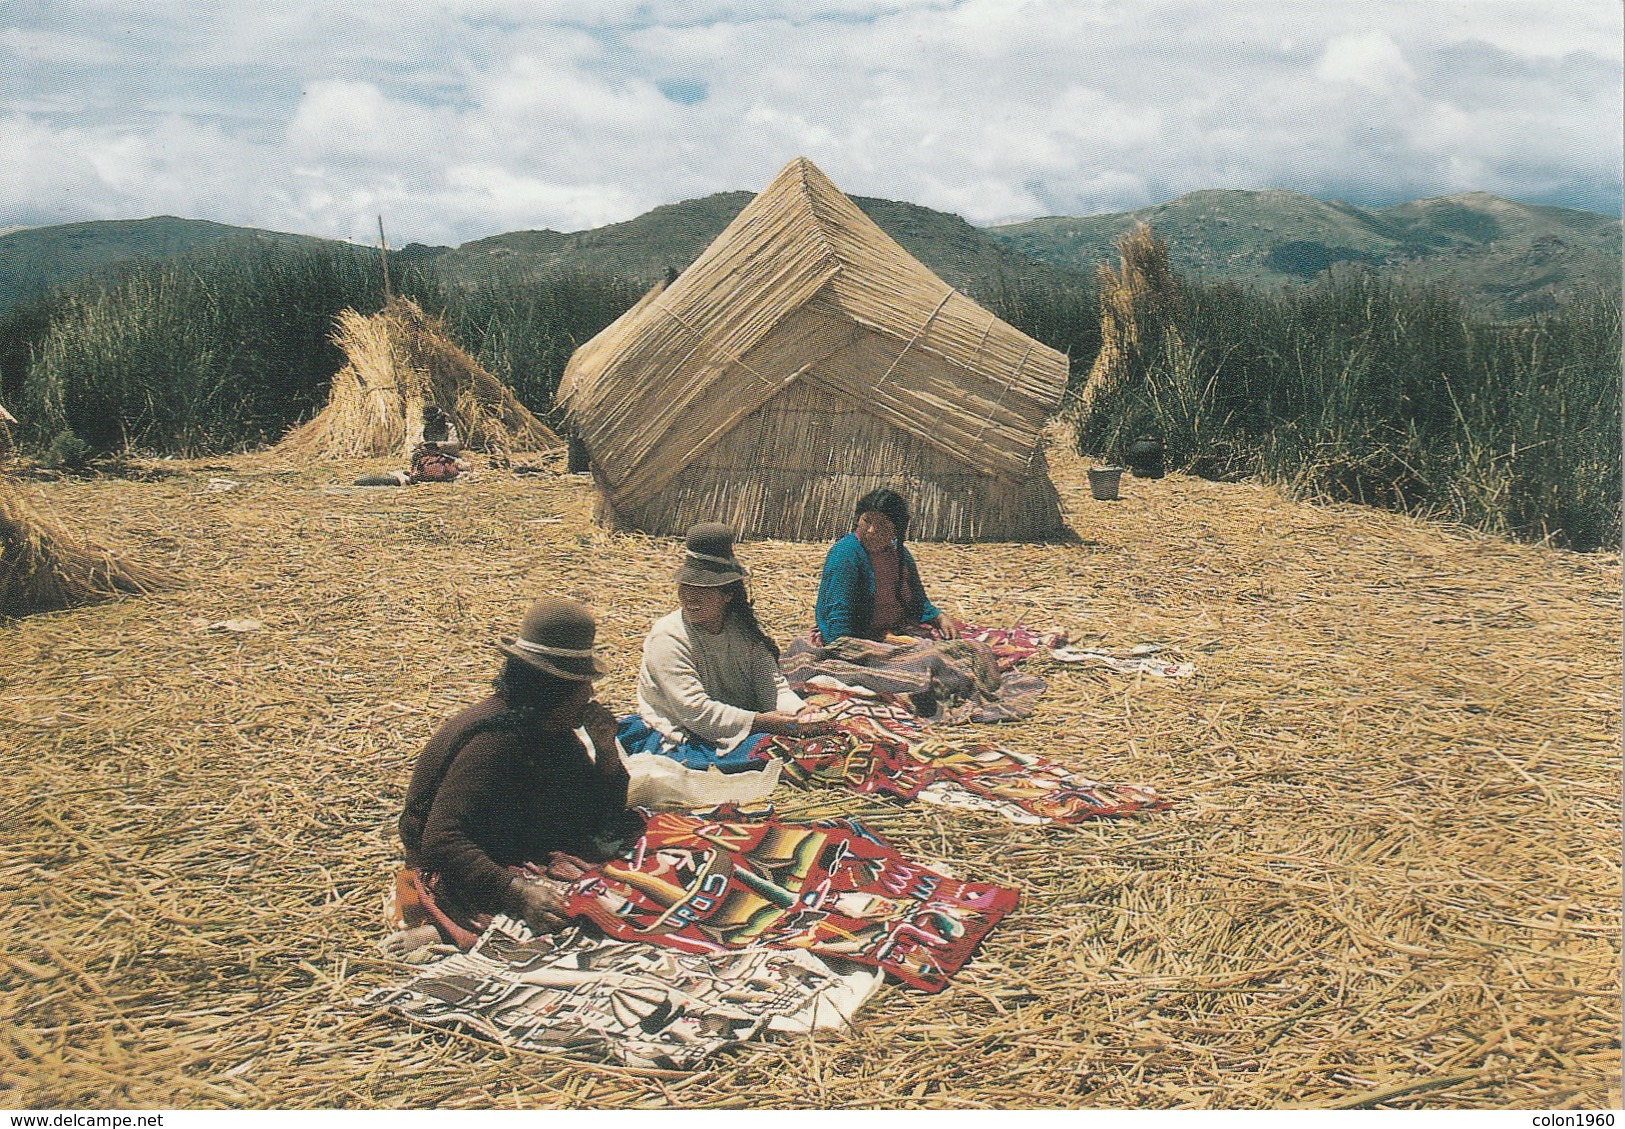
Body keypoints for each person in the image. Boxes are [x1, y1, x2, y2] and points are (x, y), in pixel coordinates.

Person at [391, 597, 643, 950]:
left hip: (515, 847)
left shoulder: (552, 732)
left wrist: (606, 754)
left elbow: (594, 815)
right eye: (582, 685)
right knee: (582, 909)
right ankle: (453, 927)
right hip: (457, 872)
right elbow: (441, 841)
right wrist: (518, 894)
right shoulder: (496, 740)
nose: (590, 694)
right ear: (553, 690)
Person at [619, 523, 832, 772]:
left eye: (704, 589)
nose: (691, 597)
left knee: (815, 742)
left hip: (737, 725)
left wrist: (800, 713)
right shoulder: (668, 636)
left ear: (727, 594)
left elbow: (771, 687)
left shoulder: (742, 631)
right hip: (683, 734)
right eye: (686, 587)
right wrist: (763, 722)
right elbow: (695, 712)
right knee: (772, 752)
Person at [814, 489, 959, 644]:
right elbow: (839, 616)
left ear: (895, 528)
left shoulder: (898, 554)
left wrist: (939, 617)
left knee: (972, 648)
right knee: (930, 660)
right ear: (858, 519)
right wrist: (847, 647)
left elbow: (918, 601)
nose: (871, 530)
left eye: (882, 524)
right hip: (858, 637)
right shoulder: (845, 554)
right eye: (867, 520)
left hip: (896, 629)